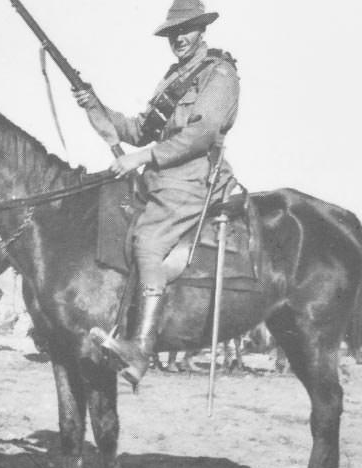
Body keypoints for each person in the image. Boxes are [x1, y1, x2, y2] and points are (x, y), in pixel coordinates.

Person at [75, 0, 240, 387]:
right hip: (161, 177)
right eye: (172, 33)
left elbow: (201, 134)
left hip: (193, 178)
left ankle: (140, 350)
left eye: (185, 30)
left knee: (147, 239)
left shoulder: (219, 73)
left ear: (202, 29)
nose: (178, 38)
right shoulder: (174, 78)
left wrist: (142, 157)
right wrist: (94, 105)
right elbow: (139, 129)